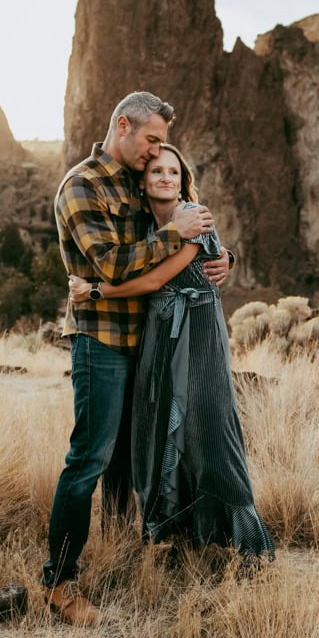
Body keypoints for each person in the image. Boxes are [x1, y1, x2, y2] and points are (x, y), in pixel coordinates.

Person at [45, 92, 231, 627]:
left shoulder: (134, 178)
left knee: (133, 457)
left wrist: (223, 257)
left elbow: (178, 228)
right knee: (90, 460)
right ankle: (59, 582)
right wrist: (178, 234)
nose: (156, 154)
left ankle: (125, 553)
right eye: (150, 140)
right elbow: (113, 266)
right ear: (121, 125)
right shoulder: (80, 186)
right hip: (100, 341)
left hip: (149, 344)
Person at [68, 143, 275, 570]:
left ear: (183, 182)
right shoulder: (141, 225)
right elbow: (125, 264)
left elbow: (156, 279)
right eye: (157, 171)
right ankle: (174, 533)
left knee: (211, 428)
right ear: (143, 182)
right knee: (160, 426)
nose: (166, 178)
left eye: (174, 173)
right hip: (159, 336)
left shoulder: (195, 218)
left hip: (198, 331)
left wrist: (96, 291)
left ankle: (241, 539)